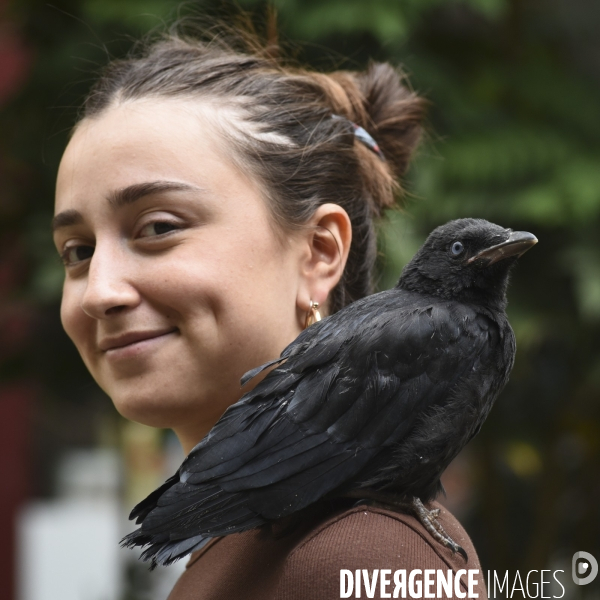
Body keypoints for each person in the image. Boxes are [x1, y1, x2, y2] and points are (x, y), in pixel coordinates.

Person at [53, 22, 488, 600]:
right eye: (78, 252)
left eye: (159, 227)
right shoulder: (252, 539)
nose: (99, 291)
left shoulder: (360, 556)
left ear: (318, 252)